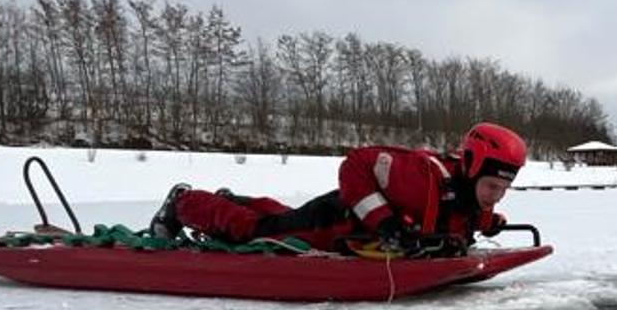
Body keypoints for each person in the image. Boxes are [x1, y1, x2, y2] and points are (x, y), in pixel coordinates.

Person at [147, 122, 527, 255]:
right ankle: (184, 203)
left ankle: (230, 201)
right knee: (255, 232)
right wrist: (384, 224)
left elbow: (460, 214)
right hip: (334, 223)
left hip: (343, 225)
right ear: (472, 166)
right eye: (492, 186)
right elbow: (356, 163)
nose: (495, 196)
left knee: (279, 217)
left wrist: (488, 223)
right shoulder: (419, 176)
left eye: (502, 189)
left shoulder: (468, 192)